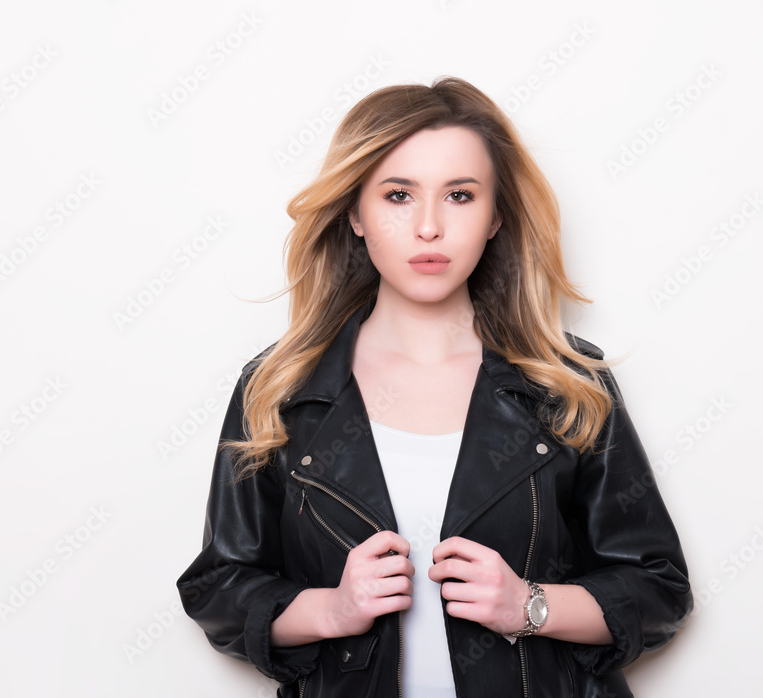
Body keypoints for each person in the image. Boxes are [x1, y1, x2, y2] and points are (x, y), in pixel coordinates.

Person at [176, 77, 692, 698]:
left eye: (459, 195)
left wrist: (529, 605)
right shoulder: (280, 389)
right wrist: (331, 610)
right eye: (398, 195)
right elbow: (220, 588)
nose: (428, 227)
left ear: (496, 215)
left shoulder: (568, 383)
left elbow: (657, 588)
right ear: (355, 213)